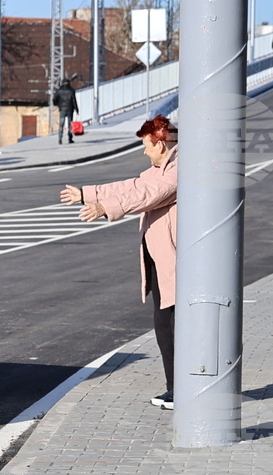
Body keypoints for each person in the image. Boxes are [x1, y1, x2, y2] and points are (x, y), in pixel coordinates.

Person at [59, 114, 179, 410]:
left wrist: (106, 208)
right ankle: (175, 388)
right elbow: (132, 186)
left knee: (172, 325)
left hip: (175, 258)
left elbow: (148, 194)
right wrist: (88, 194)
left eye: (147, 146)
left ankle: (182, 389)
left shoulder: (178, 169)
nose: (144, 151)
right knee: (164, 323)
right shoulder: (160, 168)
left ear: (161, 144)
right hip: (161, 257)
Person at [53, 78, 79, 145]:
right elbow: (74, 101)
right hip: (70, 109)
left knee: (61, 124)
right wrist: (77, 110)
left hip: (62, 109)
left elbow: (54, 99)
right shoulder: (71, 90)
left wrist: (57, 104)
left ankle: (60, 137)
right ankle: (70, 138)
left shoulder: (59, 90)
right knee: (70, 124)